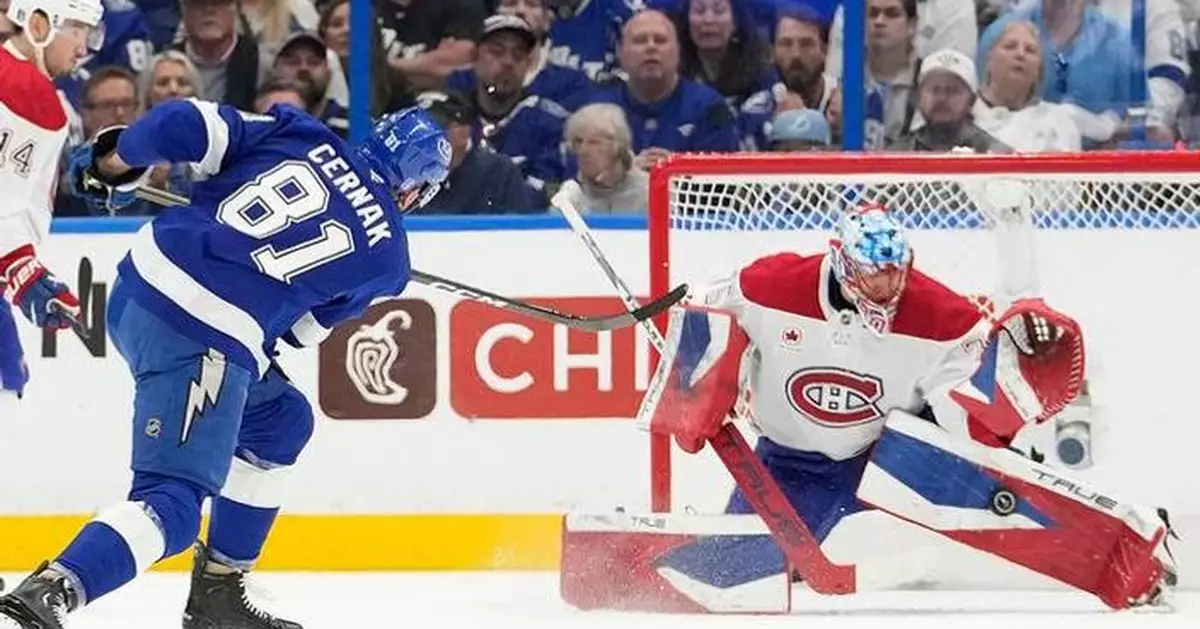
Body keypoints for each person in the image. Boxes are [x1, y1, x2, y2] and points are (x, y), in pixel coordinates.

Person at [0, 100, 450, 628]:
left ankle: (219, 593)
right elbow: (299, 335)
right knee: (173, 505)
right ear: (415, 190)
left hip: (136, 289)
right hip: (199, 340)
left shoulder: (303, 134)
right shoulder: (388, 258)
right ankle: (57, 586)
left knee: (281, 421)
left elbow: (182, 123)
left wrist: (113, 162)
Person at [639, 204, 1177, 611]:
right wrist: (694, 375)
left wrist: (1007, 400)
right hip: (787, 462)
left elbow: (968, 418)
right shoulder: (772, 283)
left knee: (1007, 504)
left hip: (893, 462)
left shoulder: (944, 317)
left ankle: (1133, 557)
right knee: (729, 576)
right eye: (876, 273)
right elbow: (701, 309)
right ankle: (651, 569)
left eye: (898, 270)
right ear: (844, 264)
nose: (890, 285)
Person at [0, 0, 103, 396]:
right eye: (78, 31)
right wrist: (24, 273)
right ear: (41, 23)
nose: (83, 48)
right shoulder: (29, 94)